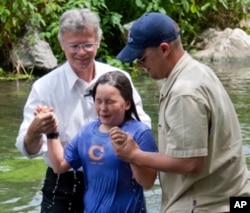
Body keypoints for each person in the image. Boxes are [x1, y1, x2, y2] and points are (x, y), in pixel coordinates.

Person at [15, 9, 151, 213]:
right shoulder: (45, 87)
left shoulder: (117, 77)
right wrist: (36, 130)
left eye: (88, 45)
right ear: (62, 44)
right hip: (66, 181)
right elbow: (28, 149)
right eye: (74, 46)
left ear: (98, 40)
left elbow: (142, 127)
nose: (81, 52)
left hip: (115, 174)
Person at [113, 12, 250, 213]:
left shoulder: (184, 92)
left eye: (142, 58)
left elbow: (190, 163)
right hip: (234, 199)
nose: (140, 66)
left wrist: (135, 154)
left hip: (206, 206)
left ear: (164, 49)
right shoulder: (198, 72)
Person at [36, 71, 158, 212]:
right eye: (98, 101)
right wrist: (52, 132)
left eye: (110, 102)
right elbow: (59, 166)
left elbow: (147, 182)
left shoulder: (140, 132)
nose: (103, 108)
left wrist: (132, 155)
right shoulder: (87, 132)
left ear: (127, 104)